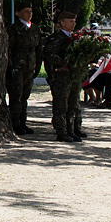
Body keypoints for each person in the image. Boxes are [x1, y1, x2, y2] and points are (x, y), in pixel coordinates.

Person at [43, 11, 86, 142]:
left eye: (74, 21)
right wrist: (66, 62)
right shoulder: (56, 38)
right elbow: (50, 56)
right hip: (61, 77)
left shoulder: (75, 38)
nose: (74, 24)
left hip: (73, 76)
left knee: (73, 104)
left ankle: (71, 129)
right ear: (62, 23)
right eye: (71, 21)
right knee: (61, 104)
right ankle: (61, 131)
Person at [6, 2, 42, 135]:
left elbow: (38, 50)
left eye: (31, 11)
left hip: (30, 67)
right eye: (26, 11)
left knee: (25, 97)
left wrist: (37, 66)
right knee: (16, 97)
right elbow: (8, 50)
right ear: (18, 13)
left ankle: (23, 123)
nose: (29, 13)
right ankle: (14, 123)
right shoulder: (13, 29)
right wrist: (10, 66)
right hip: (17, 67)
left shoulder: (35, 29)